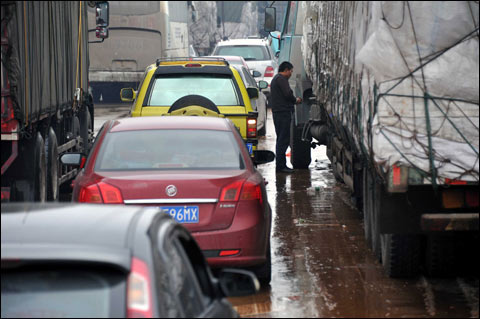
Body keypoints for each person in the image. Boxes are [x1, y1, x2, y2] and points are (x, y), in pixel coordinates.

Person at [270, 61, 302, 173]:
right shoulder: (281, 80)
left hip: (278, 113)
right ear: (286, 70)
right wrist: (295, 100)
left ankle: (281, 165)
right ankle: (281, 166)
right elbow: (288, 94)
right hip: (283, 113)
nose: (291, 74)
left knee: (281, 139)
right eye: (291, 71)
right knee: (283, 140)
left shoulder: (276, 79)